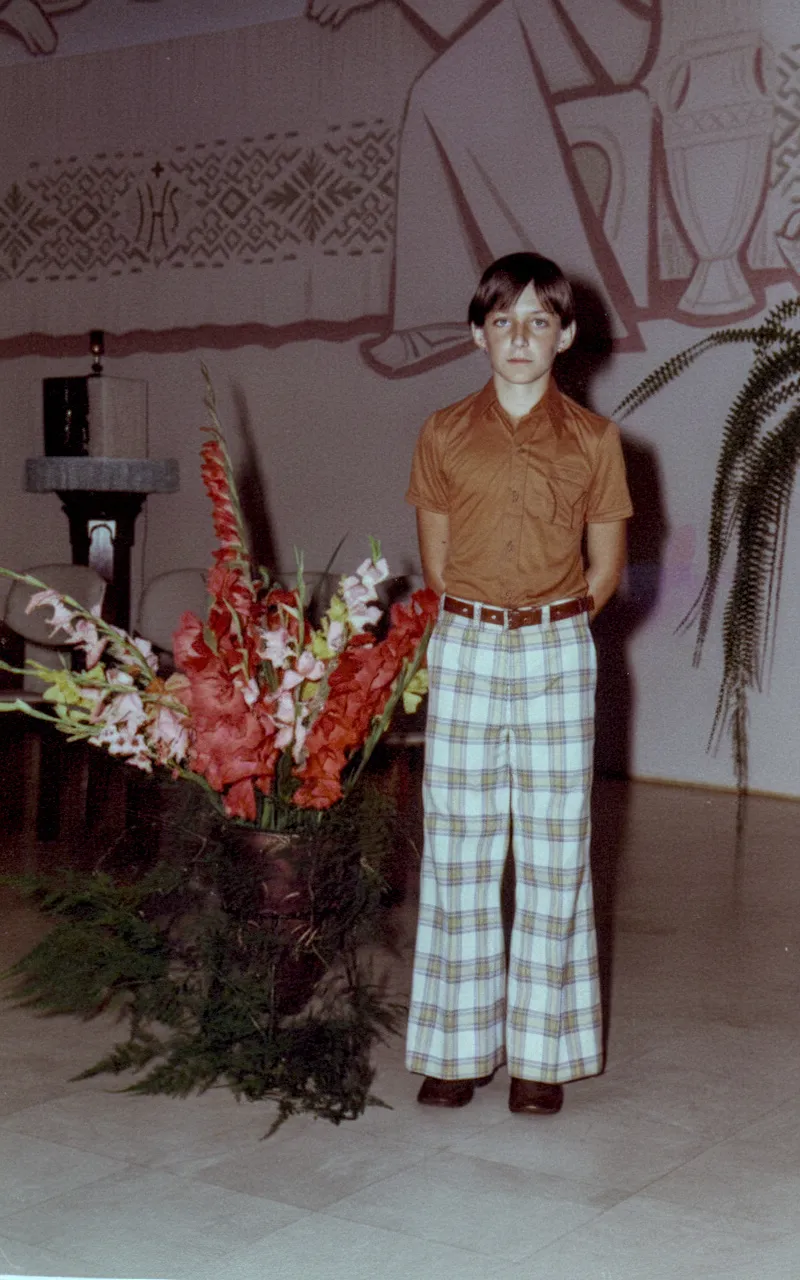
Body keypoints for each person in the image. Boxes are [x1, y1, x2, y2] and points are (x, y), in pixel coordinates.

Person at [404, 252, 632, 1114]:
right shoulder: (442, 432)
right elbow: (435, 558)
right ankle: (457, 1052)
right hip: (464, 641)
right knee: (459, 842)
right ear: (477, 334)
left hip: (555, 649)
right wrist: (480, 620)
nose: (521, 337)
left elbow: (604, 568)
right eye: (503, 321)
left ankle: (542, 1056)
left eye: (540, 321)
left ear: (567, 335)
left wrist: (552, 622)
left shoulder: (596, 442)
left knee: (552, 847)